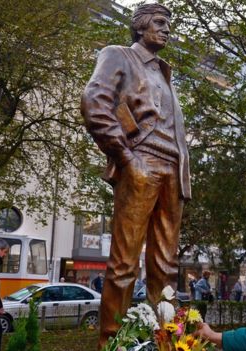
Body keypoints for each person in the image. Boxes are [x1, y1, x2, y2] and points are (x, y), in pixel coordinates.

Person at [80, 3, 191, 347]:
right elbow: (94, 100)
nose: (167, 29)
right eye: (159, 23)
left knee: (166, 266)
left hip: (174, 172)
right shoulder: (119, 56)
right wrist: (126, 157)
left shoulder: (165, 73)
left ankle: (168, 341)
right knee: (125, 263)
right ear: (140, 27)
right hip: (141, 164)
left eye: (168, 24)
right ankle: (111, 343)